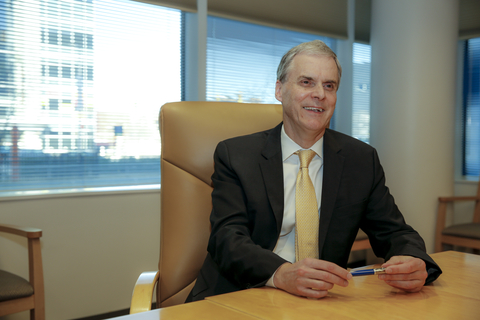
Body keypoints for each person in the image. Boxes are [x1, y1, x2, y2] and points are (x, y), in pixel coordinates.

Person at [186, 40, 442, 302]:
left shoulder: (360, 159)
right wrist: (281, 273)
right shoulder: (236, 155)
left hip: (319, 301)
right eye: (306, 82)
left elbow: (395, 232)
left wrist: (414, 260)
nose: (320, 94)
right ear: (279, 89)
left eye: (329, 86)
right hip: (239, 292)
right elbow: (227, 238)